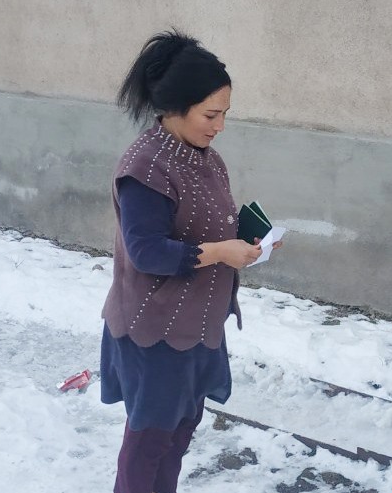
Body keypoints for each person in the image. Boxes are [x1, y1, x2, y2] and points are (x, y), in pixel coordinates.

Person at [100, 31, 279, 493]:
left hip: (197, 325)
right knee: (148, 445)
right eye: (211, 115)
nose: (220, 126)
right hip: (155, 331)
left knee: (177, 436)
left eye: (225, 114)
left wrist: (245, 241)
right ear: (175, 108)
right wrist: (220, 252)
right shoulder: (146, 168)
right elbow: (146, 251)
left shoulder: (205, 158)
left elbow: (201, 224)